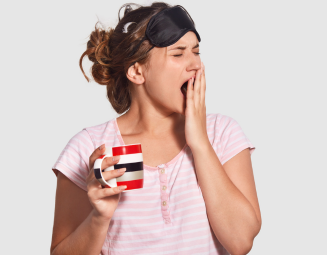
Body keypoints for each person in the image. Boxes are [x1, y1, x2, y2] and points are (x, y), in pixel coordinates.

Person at [50, 2, 261, 255]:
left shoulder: (221, 132)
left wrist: (200, 143)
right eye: (178, 53)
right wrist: (98, 218)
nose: (195, 64)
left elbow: (241, 242)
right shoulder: (89, 147)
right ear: (137, 72)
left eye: (196, 52)